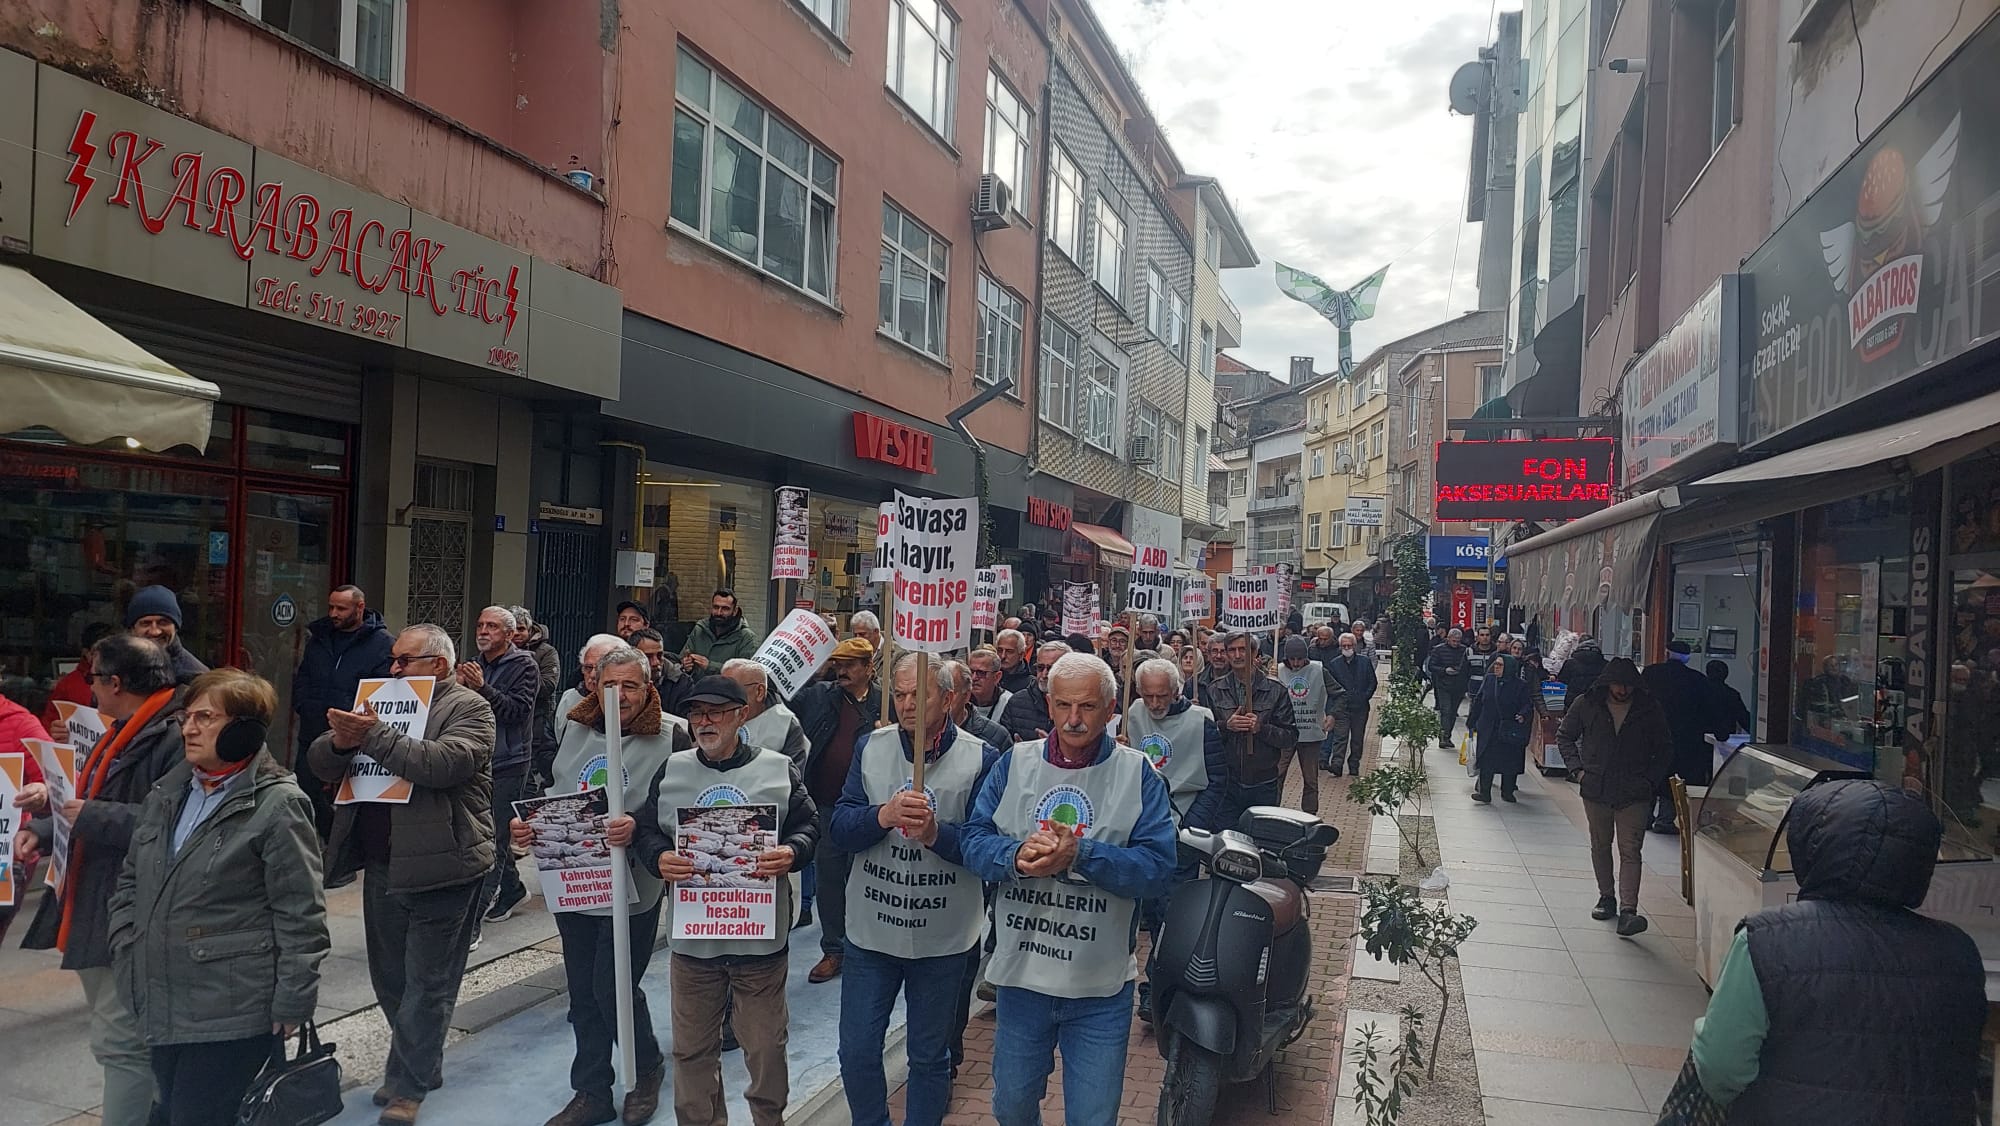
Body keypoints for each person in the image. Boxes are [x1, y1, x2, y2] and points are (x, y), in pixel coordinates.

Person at [1687, 780, 1986, 1124]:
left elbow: (1721, 1068)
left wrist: (1703, 1032)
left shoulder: (1765, 939)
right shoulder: (1958, 952)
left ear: (1814, 847)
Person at [959, 653, 1176, 1126]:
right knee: (1011, 1107)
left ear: (1112, 707)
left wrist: (1081, 855)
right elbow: (973, 843)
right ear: (1049, 705)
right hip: (1022, 976)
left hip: (1099, 984)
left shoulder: (1138, 774)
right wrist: (1016, 858)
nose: (1074, 720)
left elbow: (1160, 869)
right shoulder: (1014, 763)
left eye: (1088, 707)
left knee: (1093, 1116)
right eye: (1063, 706)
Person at [107, 668, 329, 1126]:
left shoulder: (279, 804)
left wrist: (293, 999)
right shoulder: (168, 792)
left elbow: (300, 911)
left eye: (205, 717)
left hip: (232, 1007)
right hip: (162, 997)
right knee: (167, 1112)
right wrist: (125, 942)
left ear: (243, 729)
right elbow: (131, 879)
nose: (188, 728)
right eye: (187, 717)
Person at [309, 623, 497, 1126]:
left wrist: (373, 734)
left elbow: (442, 764)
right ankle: (421, 1062)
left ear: (437, 665)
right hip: (382, 862)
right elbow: (321, 762)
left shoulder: (469, 708)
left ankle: (407, 1086)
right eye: (392, 660)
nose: (392, 669)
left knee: (427, 985)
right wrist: (345, 743)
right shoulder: (380, 701)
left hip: (444, 866)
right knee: (390, 978)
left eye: (403, 660)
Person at [16, 635, 187, 1126]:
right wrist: (49, 829)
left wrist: (92, 817)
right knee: (124, 1040)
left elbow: (178, 825)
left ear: (114, 683)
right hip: (99, 901)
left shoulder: (170, 735)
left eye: (92, 677)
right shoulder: (127, 728)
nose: (86, 687)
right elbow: (88, 798)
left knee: (120, 1044)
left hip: (130, 910)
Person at [633, 675, 818, 1126]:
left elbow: (810, 825)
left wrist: (792, 852)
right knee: (692, 1050)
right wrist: (660, 858)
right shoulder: (673, 768)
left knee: (766, 1048)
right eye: (697, 712)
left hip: (759, 942)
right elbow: (646, 827)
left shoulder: (777, 767)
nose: (705, 721)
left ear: (741, 715)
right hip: (695, 942)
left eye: (716, 712)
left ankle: (768, 1119)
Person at [519, 646, 686, 1126]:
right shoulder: (574, 725)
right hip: (575, 878)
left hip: (633, 885)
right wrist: (530, 825)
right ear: (593, 684)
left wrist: (638, 823)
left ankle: (645, 1066)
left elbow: (678, 805)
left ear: (649, 686)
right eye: (608, 684)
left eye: (630, 685)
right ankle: (591, 1089)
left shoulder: (673, 734)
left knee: (612, 986)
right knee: (581, 993)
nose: (618, 696)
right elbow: (558, 790)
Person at [832, 655, 1002, 1126]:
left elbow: (986, 845)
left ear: (948, 699)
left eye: (918, 695)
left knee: (929, 1057)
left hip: (944, 936)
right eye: (900, 694)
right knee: (857, 1051)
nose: (906, 705)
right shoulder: (871, 746)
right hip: (872, 931)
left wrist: (936, 835)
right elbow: (841, 826)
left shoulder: (982, 758)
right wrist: (880, 817)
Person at [1122, 657, 1226, 1023]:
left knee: (1170, 914)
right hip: (1138, 829)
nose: (1154, 704)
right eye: (1147, 696)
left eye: (1161, 696)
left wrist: (1191, 828)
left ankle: (1155, 988)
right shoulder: (1130, 713)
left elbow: (1216, 781)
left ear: (1177, 691)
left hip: (1180, 829)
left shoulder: (1201, 722)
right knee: (1146, 912)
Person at [1556, 657, 1671, 938]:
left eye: (1628, 685)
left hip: (1635, 791)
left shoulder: (1648, 708)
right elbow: (1565, 736)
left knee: (1631, 850)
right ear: (1607, 683)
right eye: (1618, 685)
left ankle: (1629, 910)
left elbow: (1665, 747)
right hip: (1596, 788)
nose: (1623, 690)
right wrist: (1579, 771)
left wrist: (1649, 781)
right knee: (1600, 844)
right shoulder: (1588, 703)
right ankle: (1606, 897)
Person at [793, 636, 882, 979]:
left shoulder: (884, 702)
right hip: (826, 803)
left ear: (868, 668)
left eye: (849, 665)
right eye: (837, 664)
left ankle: (865, 944)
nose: (840, 671)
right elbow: (780, 699)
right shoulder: (820, 695)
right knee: (829, 878)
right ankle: (834, 948)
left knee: (862, 877)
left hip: (867, 806)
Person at [462, 606, 541, 943]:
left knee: (493, 840)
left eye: (492, 626)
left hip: (509, 761)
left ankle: (472, 922)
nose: (483, 631)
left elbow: (516, 711)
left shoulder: (525, 665)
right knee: (488, 835)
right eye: (480, 624)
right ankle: (511, 889)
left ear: (509, 634)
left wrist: (482, 689)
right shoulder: (474, 664)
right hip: (478, 759)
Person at [294, 585, 396, 844]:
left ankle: (342, 847)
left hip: (351, 737)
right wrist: (304, 704)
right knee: (306, 789)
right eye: (331, 607)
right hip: (313, 728)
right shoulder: (319, 638)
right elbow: (303, 676)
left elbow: (381, 690)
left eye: (341, 608)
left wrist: (353, 719)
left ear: (359, 608)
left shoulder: (383, 644)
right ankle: (329, 838)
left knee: (346, 797)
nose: (334, 613)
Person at [1206, 632, 1297, 830]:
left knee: (1260, 842)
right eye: (1232, 650)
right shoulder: (1214, 689)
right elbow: (1203, 734)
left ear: (1255, 653)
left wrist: (1261, 729)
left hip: (1263, 782)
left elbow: (1290, 737)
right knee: (1227, 840)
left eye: (1243, 649)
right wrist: (1225, 726)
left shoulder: (1276, 690)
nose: (1237, 655)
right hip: (1227, 781)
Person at [1641, 639, 1714, 833]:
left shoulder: (1650, 673)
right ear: (1688, 657)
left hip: (1651, 734)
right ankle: (1665, 820)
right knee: (1674, 777)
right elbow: (1706, 710)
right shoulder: (1697, 679)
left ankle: (1644, 818)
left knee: (1650, 774)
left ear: (1667, 653)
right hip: (1684, 738)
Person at [1276, 636, 1341, 815]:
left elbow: (1340, 694)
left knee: (1311, 779)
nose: (1296, 663)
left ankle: (1309, 815)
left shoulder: (1318, 670)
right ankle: (1271, 810)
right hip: (1284, 732)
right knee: (1277, 774)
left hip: (1310, 731)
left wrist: (1332, 714)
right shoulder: (1276, 670)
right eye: (1292, 659)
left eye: (1300, 659)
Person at [1468, 654, 1533, 803]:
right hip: (1488, 727)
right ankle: (1484, 792)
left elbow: (1527, 704)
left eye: (1500, 665)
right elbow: (1479, 699)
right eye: (1496, 664)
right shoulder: (1490, 680)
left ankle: (1507, 791)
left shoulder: (1520, 685)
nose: (1496, 667)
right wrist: (1472, 721)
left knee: (1509, 761)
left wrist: (1522, 715)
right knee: (1486, 761)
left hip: (1508, 728)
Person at [39, 621, 119, 737]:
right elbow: (48, 726)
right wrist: (56, 731)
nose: (106, 658)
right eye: (99, 653)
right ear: (86, 653)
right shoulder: (68, 685)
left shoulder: (130, 681)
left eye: (112, 652)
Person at [513, 605, 563, 790]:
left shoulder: (546, 652)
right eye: (513, 629)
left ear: (530, 629)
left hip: (538, 719)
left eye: (521, 629)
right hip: (508, 719)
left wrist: (516, 680)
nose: (517, 634)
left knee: (532, 769)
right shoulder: (498, 652)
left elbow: (548, 685)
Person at [725, 658, 809, 767]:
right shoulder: (711, 715)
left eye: (732, 688)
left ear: (759, 692)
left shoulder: (787, 725)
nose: (725, 695)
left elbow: (792, 777)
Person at [126, 585, 208, 685]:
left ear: (176, 627)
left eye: (163, 622)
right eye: (146, 623)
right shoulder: (114, 666)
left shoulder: (195, 678)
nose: (155, 631)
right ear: (132, 629)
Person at [556, 635, 626, 747]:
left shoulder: (625, 702)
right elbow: (551, 742)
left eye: (600, 667)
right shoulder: (568, 698)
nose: (593, 675)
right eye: (588, 667)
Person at [1323, 631, 1377, 777]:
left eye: (1349, 645)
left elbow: (1372, 682)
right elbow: (1331, 686)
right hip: (1342, 707)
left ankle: (1354, 765)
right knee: (1340, 737)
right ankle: (1337, 765)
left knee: (1357, 739)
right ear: (1340, 647)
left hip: (1360, 707)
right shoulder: (1334, 664)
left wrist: (1365, 696)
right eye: (1344, 645)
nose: (1347, 648)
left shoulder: (1364, 662)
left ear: (1354, 646)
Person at [999, 640, 1068, 744]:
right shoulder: (1017, 702)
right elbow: (1003, 745)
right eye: (1040, 668)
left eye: (1052, 669)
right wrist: (1020, 751)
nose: (1044, 674)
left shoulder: (1080, 705)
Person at [681, 589, 761, 675]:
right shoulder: (700, 630)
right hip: (696, 687)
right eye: (716, 607)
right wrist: (686, 664)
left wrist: (710, 667)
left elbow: (746, 673)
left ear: (735, 611)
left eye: (725, 609)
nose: (719, 613)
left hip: (726, 688)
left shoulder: (746, 638)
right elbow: (682, 657)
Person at [948, 658, 1012, 751]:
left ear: (966, 696)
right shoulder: (924, 730)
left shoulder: (997, 737)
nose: (974, 678)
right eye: (938, 693)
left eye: (981, 673)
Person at [629, 626, 695, 718]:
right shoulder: (621, 682)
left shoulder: (682, 683)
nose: (656, 662)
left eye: (660, 655)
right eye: (648, 657)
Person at [1424, 628, 1472, 748]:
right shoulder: (1439, 650)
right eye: (1454, 641)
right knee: (1446, 710)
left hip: (1458, 686)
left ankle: (1447, 735)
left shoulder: (1464, 650)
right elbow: (1431, 666)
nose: (1456, 643)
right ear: (1448, 638)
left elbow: (1468, 666)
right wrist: (1444, 670)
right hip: (1443, 684)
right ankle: (1443, 736)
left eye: (1458, 641)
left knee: (1452, 712)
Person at [966, 646, 1014, 724]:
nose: (974, 678)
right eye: (971, 672)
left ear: (997, 677)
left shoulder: (1009, 703)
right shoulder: (961, 699)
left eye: (981, 673)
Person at [1705, 659, 1751, 739]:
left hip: (1697, 738)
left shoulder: (1697, 689)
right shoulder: (1731, 694)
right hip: (1723, 739)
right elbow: (1744, 718)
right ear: (1726, 674)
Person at [994, 628, 1034, 694]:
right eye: (1000, 650)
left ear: (1021, 655)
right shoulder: (989, 676)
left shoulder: (1031, 685)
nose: (1003, 656)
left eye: (1009, 652)